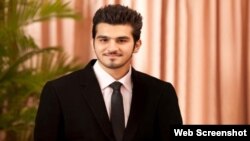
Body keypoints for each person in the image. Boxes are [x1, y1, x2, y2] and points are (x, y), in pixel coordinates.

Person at [34, 4, 182, 141]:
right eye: (104, 40)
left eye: (122, 40)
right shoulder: (58, 91)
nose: (112, 48)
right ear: (94, 43)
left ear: (137, 45)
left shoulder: (161, 93)